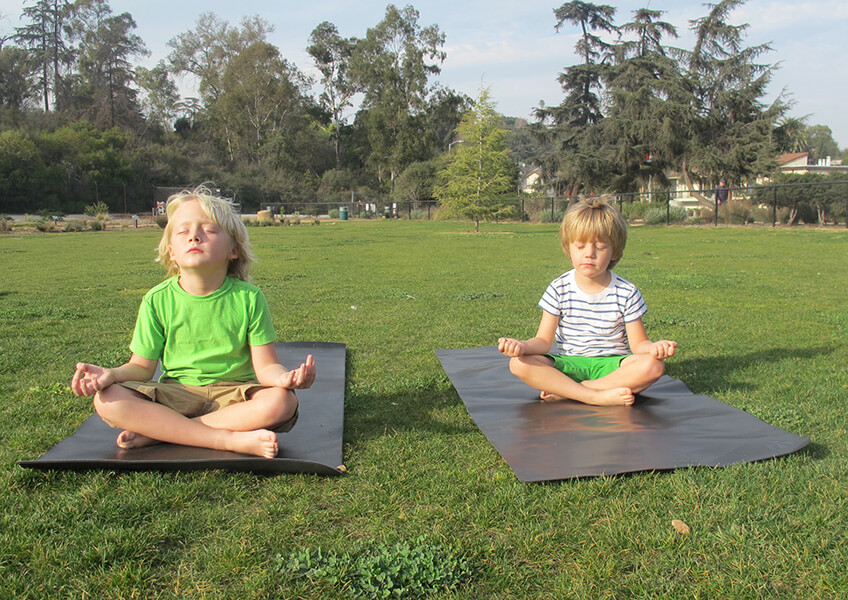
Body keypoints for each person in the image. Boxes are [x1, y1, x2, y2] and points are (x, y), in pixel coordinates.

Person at [71, 186, 315, 458]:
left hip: (235, 397)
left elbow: (265, 365)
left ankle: (163, 433)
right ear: (171, 252)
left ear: (233, 249)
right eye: (183, 231)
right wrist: (112, 375)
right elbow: (141, 368)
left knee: (281, 401)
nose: (195, 237)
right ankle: (225, 440)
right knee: (107, 398)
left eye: (209, 230)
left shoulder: (249, 298)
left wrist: (283, 378)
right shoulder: (157, 300)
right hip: (176, 396)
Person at [498, 196, 676, 406]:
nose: (589, 254)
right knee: (518, 364)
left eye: (600, 247)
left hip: (613, 366)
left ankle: (573, 391)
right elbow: (544, 341)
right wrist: (522, 346)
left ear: (614, 251)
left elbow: (639, 345)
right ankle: (595, 396)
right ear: (568, 248)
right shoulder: (559, 288)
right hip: (569, 364)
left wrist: (655, 348)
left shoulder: (627, 292)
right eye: (580, 246)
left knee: (653, 366)